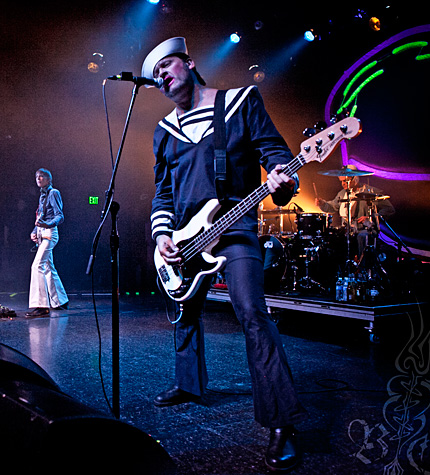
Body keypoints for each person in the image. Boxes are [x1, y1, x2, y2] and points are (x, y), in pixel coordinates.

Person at [143, 37, 307, 471]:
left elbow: (275, 153)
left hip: (234, 226)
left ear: (190, 62)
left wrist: (281, 178)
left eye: (167, 65)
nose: (162, 75)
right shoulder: (163, 131)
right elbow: (163, 191)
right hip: (184, 238)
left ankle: (281, 422)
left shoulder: (239, 102)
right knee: (184, 312)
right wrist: (163, 235)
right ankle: (190, 384)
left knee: (252, 310)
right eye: (156, 73)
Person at [315, 165, 395, 264]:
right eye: (341, 182)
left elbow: (389, 209)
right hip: (347, 230)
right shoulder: (342, 194)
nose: (343, 184)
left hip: (364, 229)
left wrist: (371, 217)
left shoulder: (370, 191)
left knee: (362, 236)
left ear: (355, 178)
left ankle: (363, 269)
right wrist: (323, 203)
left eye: (345, 181)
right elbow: (332, 207)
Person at [26, 168, 69, 317]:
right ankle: (60, 301)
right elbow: (41, 216)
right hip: (42, 233)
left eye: (42, 176)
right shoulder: (42, 196)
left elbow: (59, 216)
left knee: (37, 266)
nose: (38, 178)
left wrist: (47, 225)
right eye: (37, 176)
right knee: (48, 266)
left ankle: (41, 305)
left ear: (49, 179)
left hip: (50, 234)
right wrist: (34, 231)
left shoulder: (53, 193)